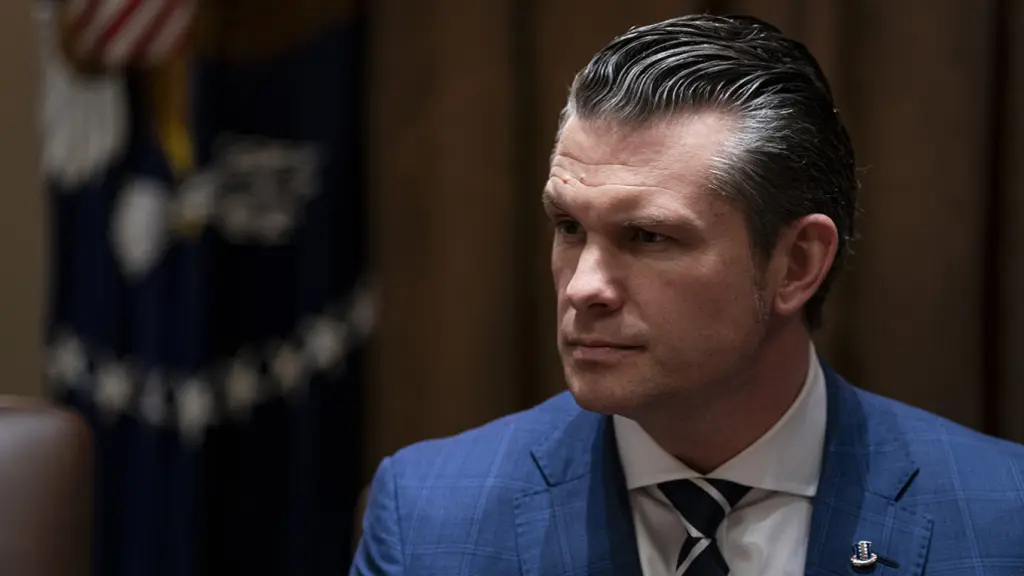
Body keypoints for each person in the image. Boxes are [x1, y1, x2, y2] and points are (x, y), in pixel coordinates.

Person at [350, 14, 1024, 575]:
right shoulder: (430, 518)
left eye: (648, 237)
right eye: (569, 228)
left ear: (796, 264)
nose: (583, 287)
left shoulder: (1004, 519)